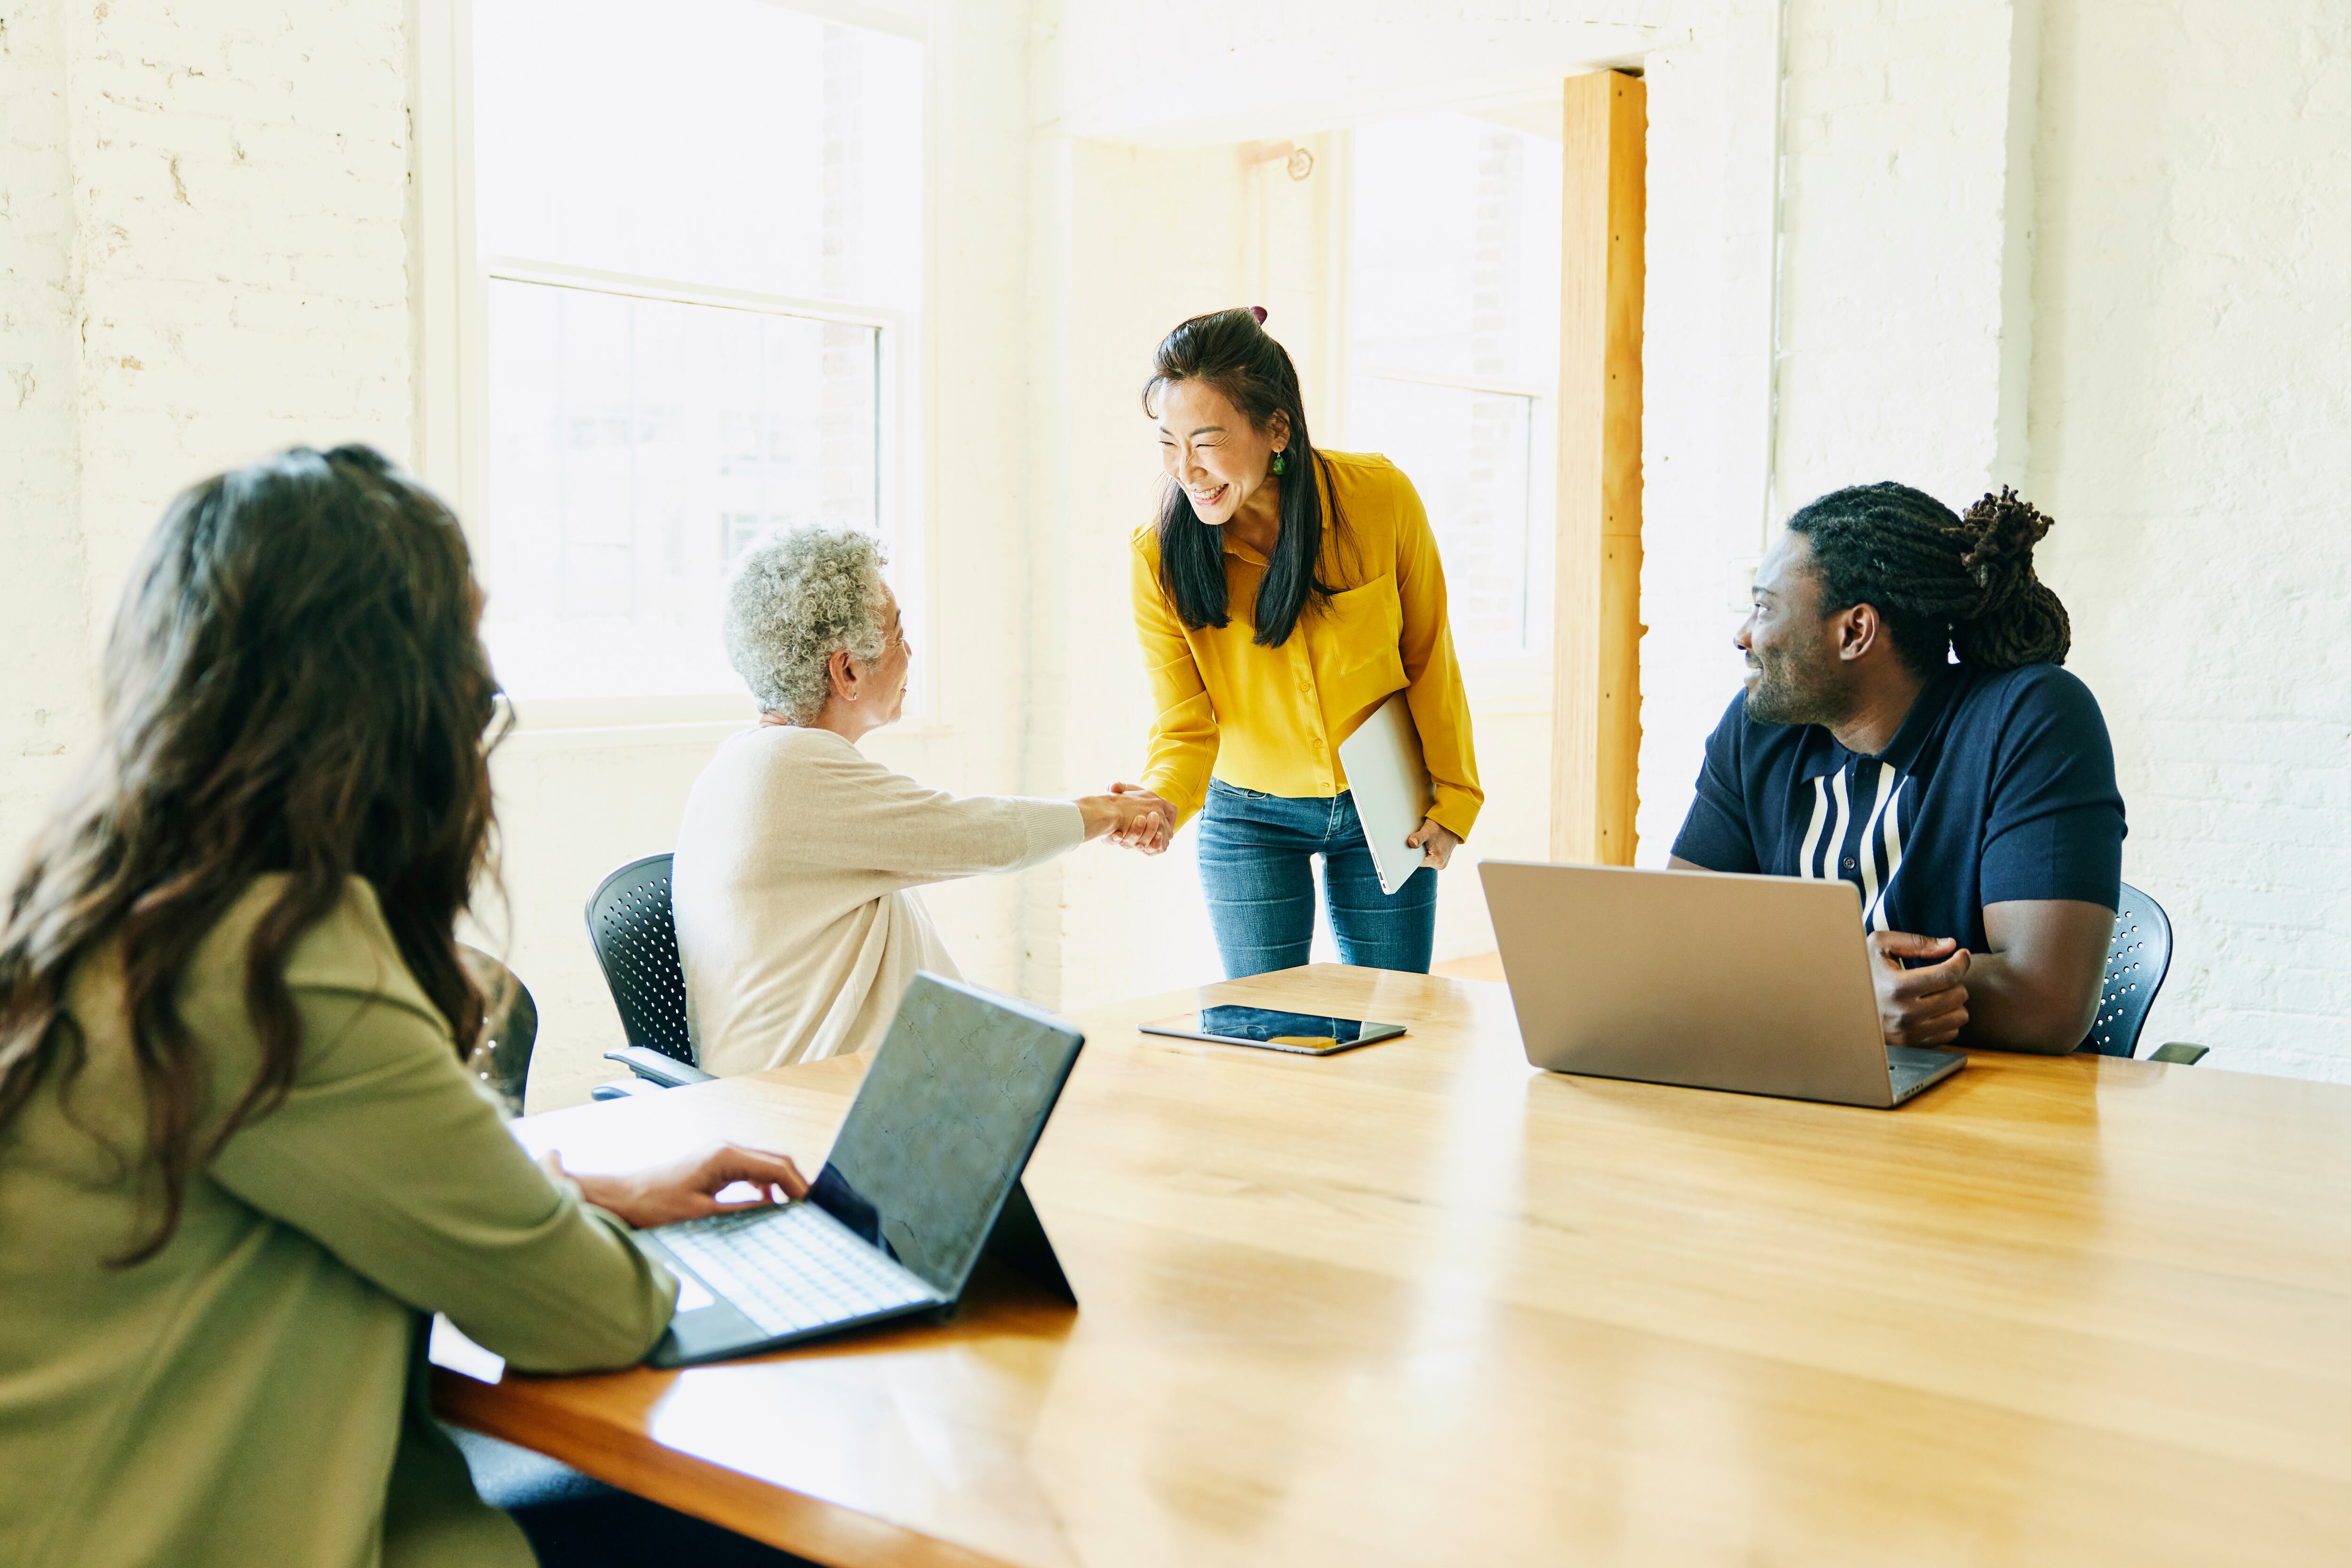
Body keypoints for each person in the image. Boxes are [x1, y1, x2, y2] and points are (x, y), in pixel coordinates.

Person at [0, 446, 820, 1568]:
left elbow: (321, 1178)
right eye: (470, 667)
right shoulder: (276, 959)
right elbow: (595, 1314)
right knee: (789, 1517)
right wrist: (578, 1232)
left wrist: (575, 1188)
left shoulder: (105, 908)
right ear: (387, 701)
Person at [672, 525, 1163, 1076]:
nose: (910, 652)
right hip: (809, 1100)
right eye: (898, 633)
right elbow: (984, 835)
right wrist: (1111, 811)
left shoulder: (750, 762)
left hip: (855, 1081)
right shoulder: (787, 769)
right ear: (847, 670)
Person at [1668, 482, 2126, 1054]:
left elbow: (2045, 999)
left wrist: (1794, 986)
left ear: (1854, 631)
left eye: (1763, 607)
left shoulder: (2028, 716)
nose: (1742, 636)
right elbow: (1681, 942)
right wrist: (1841, 992)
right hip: (1798, 1081)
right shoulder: (1758, 726)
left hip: (1988, 1110)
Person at [1119, 307, 1482, 979]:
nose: (1186, 469)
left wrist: (1455, 796)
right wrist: (1161, 801)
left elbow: (1429, 654)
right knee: (1265, 1028)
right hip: (1248, 818)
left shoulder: (1379, 499)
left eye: (1206, 440)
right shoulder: (1158, 559)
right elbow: (1184, 722)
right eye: (1168, 442)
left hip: (1388, 808)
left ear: (1276, 428)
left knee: (1395, 1016)